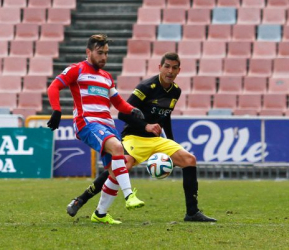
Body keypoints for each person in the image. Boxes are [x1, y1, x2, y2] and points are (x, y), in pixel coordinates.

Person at [67, 52, 217, 222]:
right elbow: (123, 115)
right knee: (121, 166)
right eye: (167, 66)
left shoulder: (176, 91)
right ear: (160, 68)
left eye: (174, 68)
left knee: (189, 159)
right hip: (134, 137)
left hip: (156, 140)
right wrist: (145, 125)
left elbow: (165, 116)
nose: (170, 71)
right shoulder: (146, 87)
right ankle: (81, 199)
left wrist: (171, 142)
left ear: (179, 71)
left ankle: (192, 212)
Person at [47, 34, 146, 225]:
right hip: (87, 122)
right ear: (88, 52)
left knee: (117, 170)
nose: (104, 57)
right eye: (100, 53)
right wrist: (57, 111)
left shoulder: (107, 77)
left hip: (107, 125)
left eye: (106, 53)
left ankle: (100, 214)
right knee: (118, 149)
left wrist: (133, 110)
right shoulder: (78, 70)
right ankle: (129, 196)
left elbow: (118, 103)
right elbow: (54, 87)